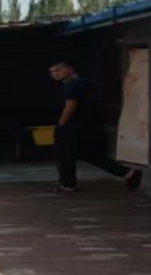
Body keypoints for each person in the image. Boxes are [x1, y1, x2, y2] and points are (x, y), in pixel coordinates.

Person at [48, 62, 143, 193]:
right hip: (89, 126)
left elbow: (71, 105)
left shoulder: (73, 84)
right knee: (91, 155)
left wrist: (61, 124)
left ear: (70, 69)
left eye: (59, 70)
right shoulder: (85, 83)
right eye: (52, 72)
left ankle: (67, 184)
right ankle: (129, 173)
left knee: (64, 153)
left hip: (74, 127)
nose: (55, 73)